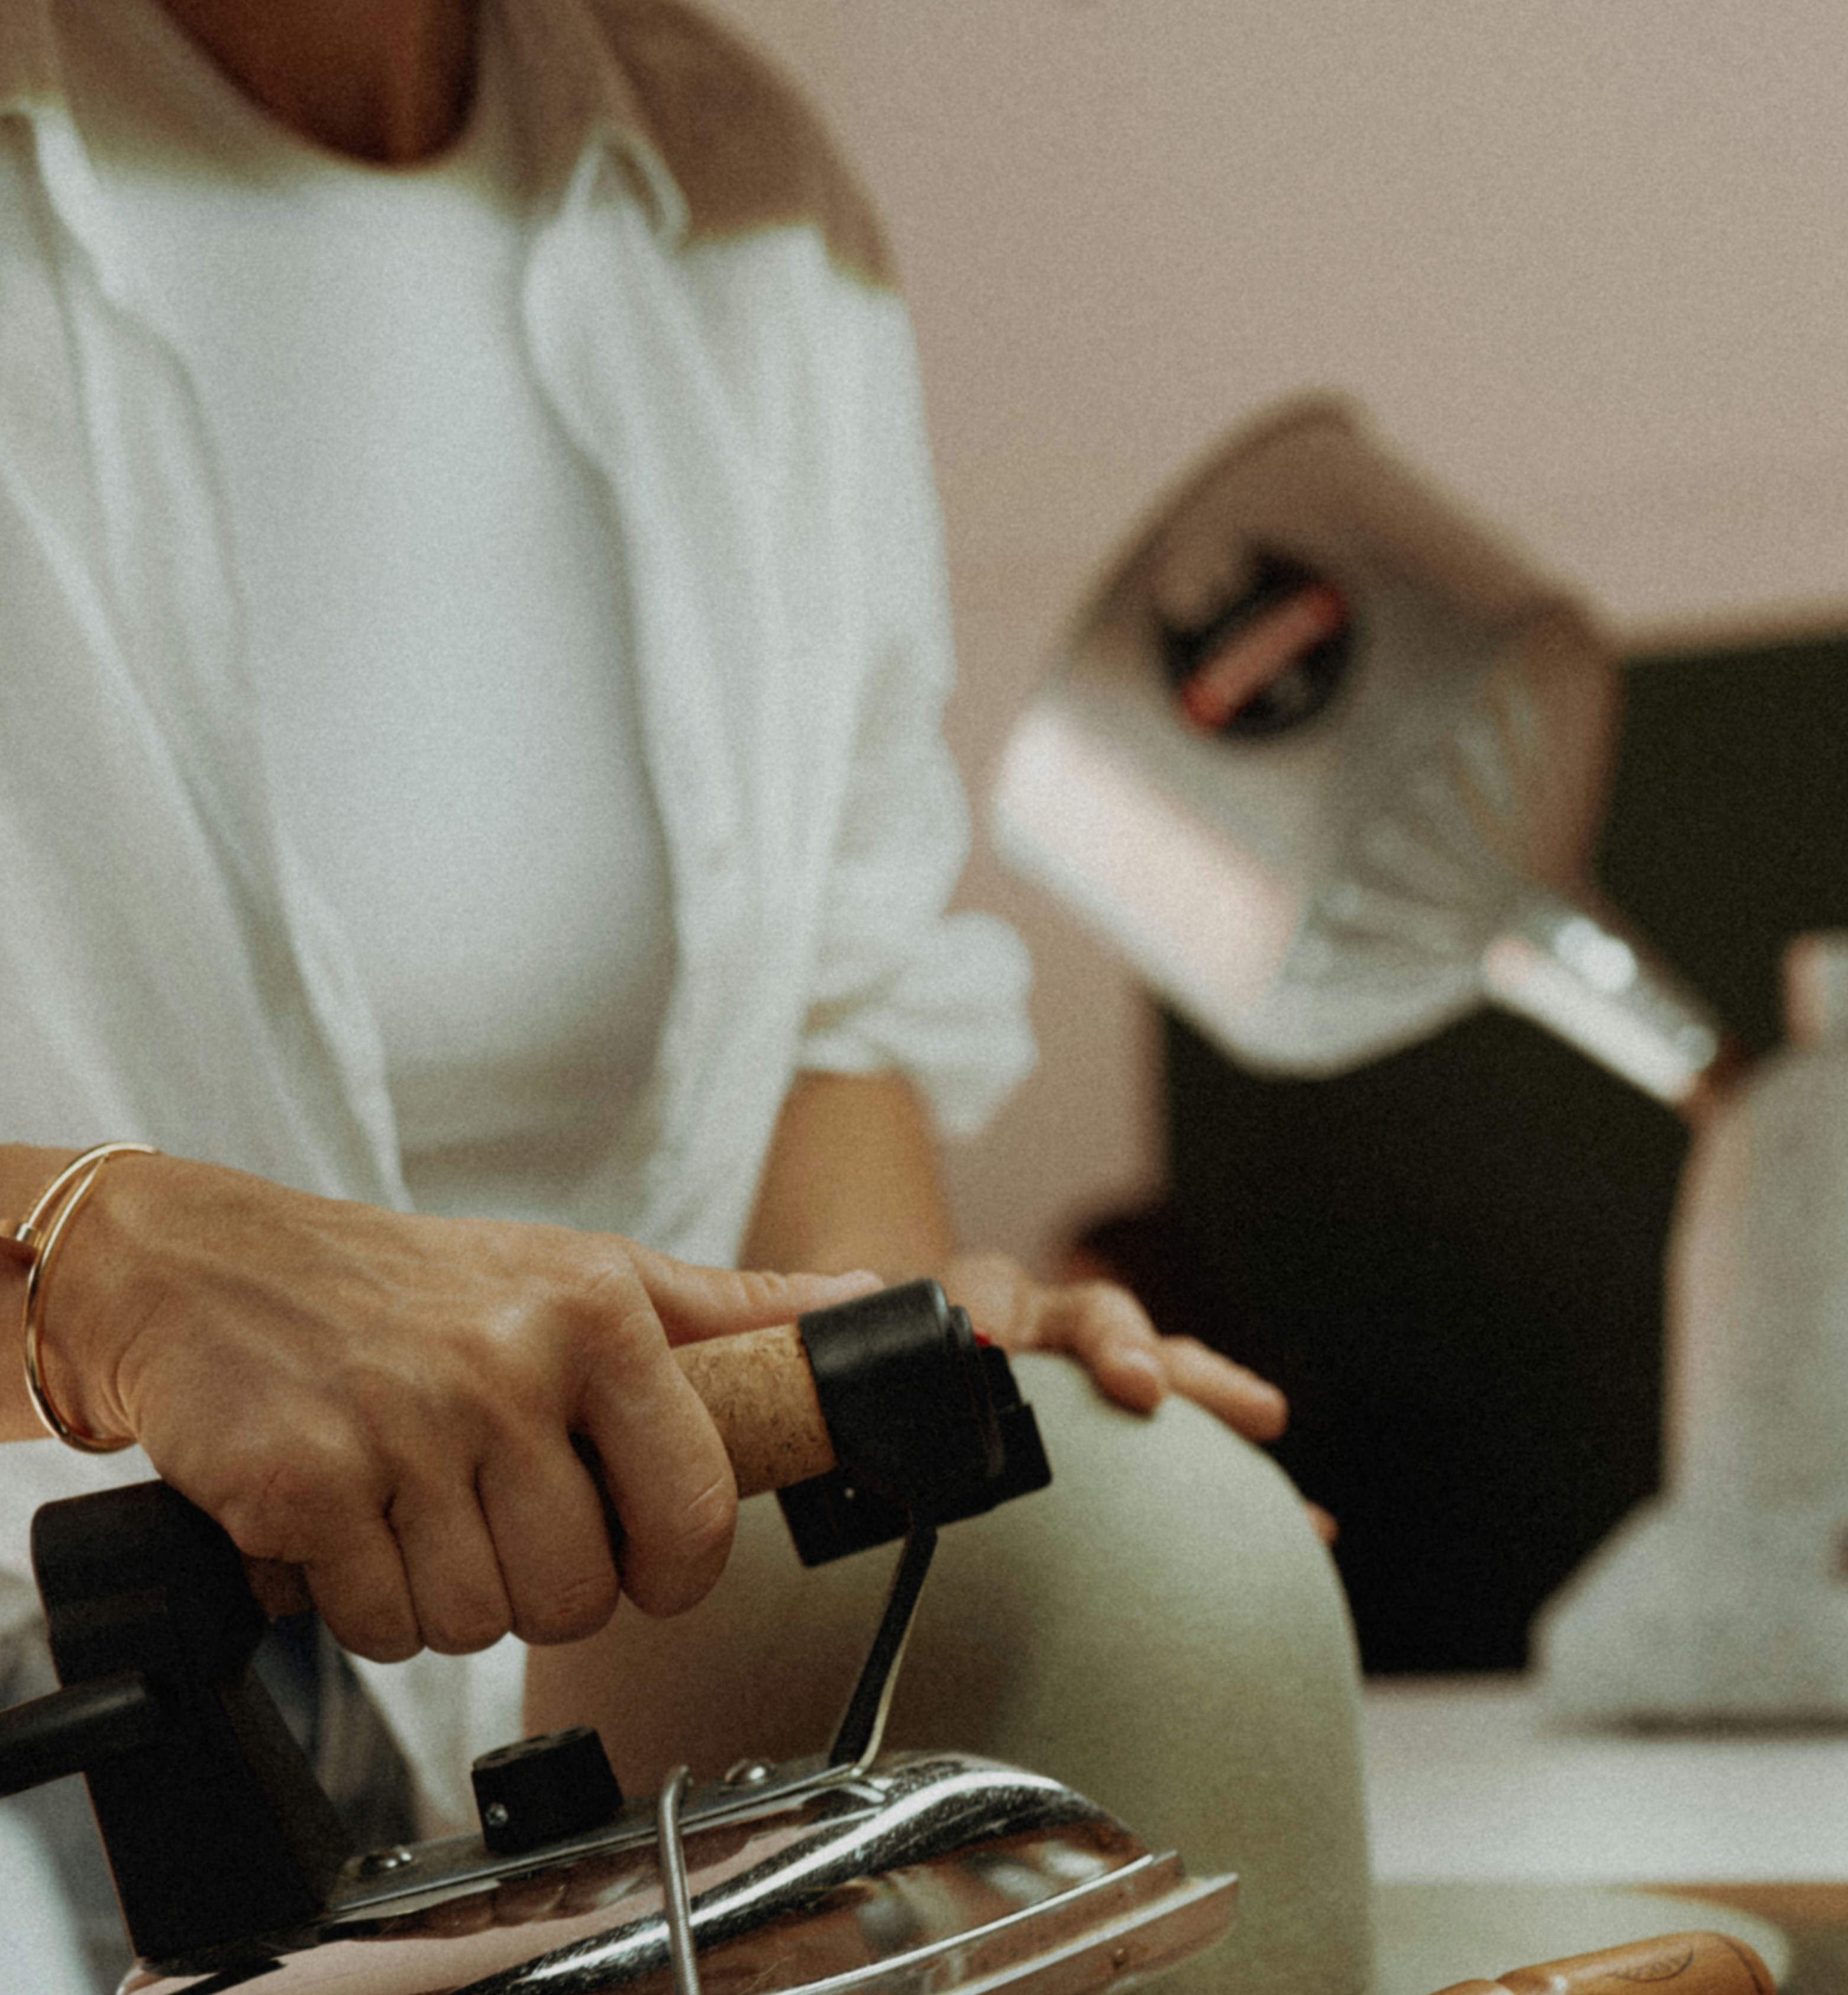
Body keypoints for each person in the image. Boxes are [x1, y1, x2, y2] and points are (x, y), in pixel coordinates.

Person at [0, 0, 1292, 1860]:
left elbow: (825, 1029)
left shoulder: (739, 190)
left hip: (616, 1865)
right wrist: (91, 1264)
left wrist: (896, 1372)